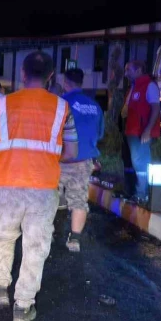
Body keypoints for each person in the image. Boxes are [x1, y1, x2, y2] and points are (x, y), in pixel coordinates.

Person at [0, 51, 78, 321]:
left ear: (22, 74)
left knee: (5, 235)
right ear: (50, 77)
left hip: (8, 183)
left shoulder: (2, 106)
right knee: (35, 245)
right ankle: (23, 307)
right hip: (43, 186)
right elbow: (71, 151)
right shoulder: (62, 108)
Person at [59, 68, 104, 253]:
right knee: (78, 199)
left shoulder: (61, 103)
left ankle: (44, 231)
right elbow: (99, 133)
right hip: (84, 160)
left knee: (48, 196)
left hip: (60, 159)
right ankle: (75, 239)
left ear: (65, 82)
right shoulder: (95, 106)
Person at [121, 60, 161, 202]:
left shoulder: (149, 86)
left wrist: (148, 130)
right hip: (131, 131)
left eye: (128, 70)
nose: (126, 74)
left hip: (141, 132)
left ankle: (141, 194)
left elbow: (155, 109)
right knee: (132, 161)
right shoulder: (134, 87)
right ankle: (132, 191)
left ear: (138, 71)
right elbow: (127, 111)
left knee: (141, 162)